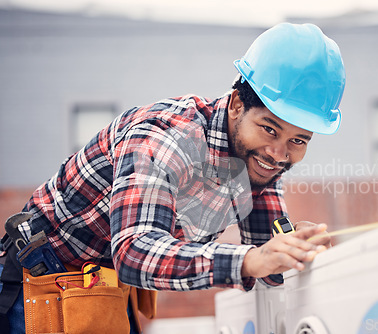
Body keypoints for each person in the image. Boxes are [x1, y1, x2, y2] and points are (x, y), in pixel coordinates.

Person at [0, 22, 345, 333]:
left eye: (298, 141)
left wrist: (292, 250)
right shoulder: (167, 139)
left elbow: (266, 262)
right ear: (238, 105)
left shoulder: (261, 162)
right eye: (270, 129)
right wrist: (250, 260)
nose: (279, 154)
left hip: (105, 288)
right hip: (41, 283)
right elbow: (135, 252)